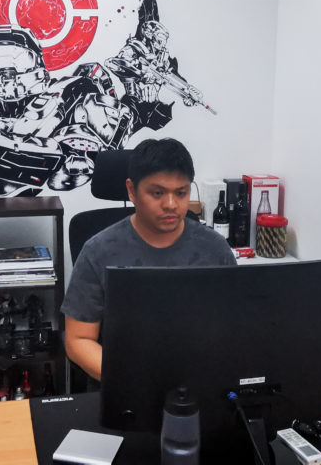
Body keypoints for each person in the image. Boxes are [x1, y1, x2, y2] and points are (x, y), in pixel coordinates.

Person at [61, 138, 237, 385]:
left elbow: (233, 330)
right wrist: (135, 379)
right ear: (132, 190)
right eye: (157, 193)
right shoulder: (98, 251)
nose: (171, 205)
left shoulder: (215, 250)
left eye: (181, 193)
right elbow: (78, 341)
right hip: (124, 386)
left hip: (197, 386)